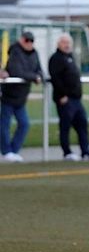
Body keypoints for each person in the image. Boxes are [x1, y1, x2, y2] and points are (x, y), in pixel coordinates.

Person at [48, 34, 89, 161]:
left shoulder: (70, 57)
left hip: (76, 99)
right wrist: (62, 95)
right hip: (66, 99)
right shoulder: (56, 58)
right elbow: (56, 78)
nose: (67, 44)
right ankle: (67, 152)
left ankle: (86, 152)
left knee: (82, 124)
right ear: (59, 43)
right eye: (64, 42)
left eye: (68, 42)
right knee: (65, 126)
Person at [1, 31, 43, 162]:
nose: (29, 43)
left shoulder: (34, 54)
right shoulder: (15, 52)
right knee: (4, 124)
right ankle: (7, 151)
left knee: (24, 124)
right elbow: (16, 71)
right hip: (9, 95)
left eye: (31, 41)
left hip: (21, 97)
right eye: (27, 40)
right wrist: (34, 77)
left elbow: (39, 70)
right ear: (21, 40)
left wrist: (38, 76)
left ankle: (13, 150)